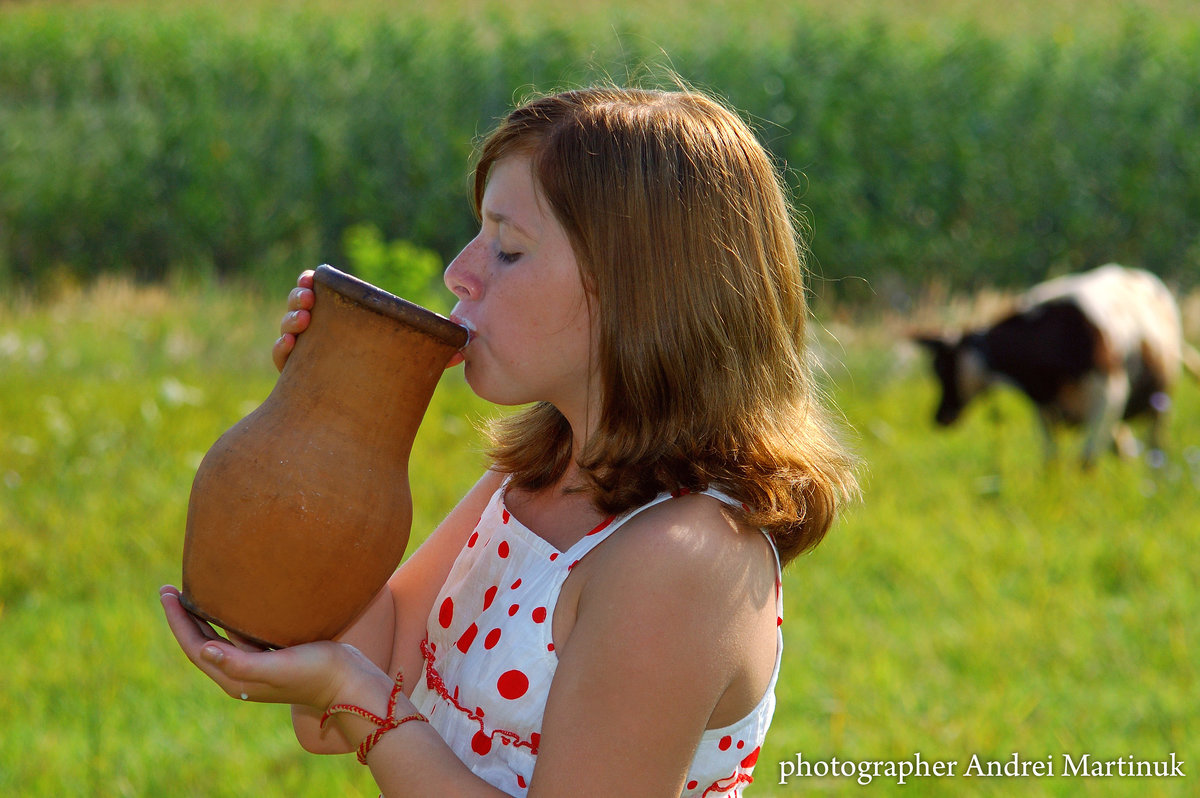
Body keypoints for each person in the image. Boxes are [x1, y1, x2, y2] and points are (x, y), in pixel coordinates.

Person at [161, 84, 859, 797]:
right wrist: (329, 419)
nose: (459, 272)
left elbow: (359, 689)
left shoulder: (684, 557)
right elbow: (353, 686)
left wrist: (357, 699)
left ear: (636, 290)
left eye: (509, 248)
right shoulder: (540, 479)